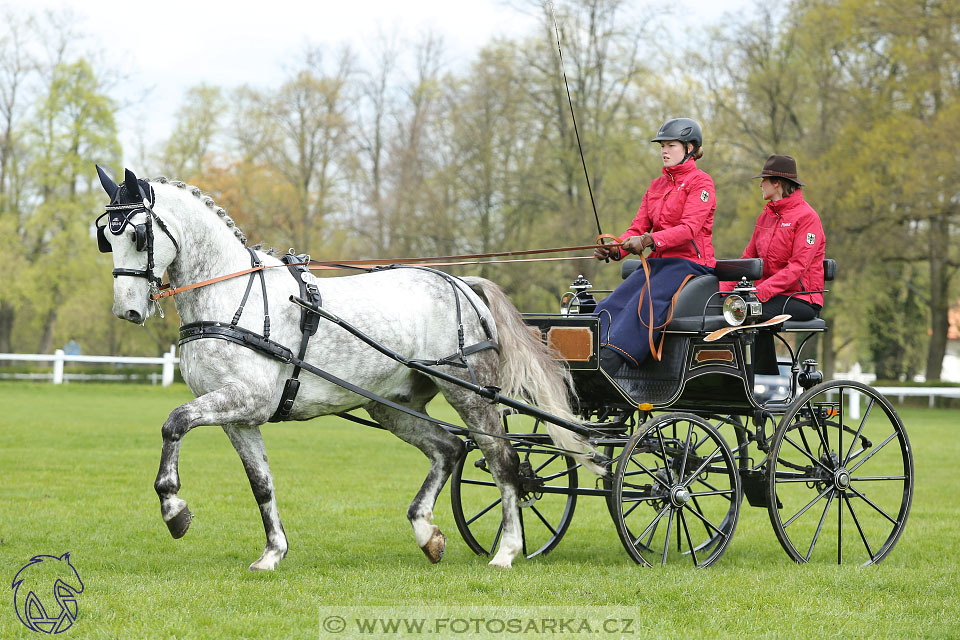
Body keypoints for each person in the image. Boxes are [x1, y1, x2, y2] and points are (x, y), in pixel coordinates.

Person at [593, 117, 717, 373]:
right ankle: (591, 351)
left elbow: (689, 229)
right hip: (659, 262)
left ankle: (612, 360)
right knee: (614, 302)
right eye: (662, 146)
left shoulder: (701, 183)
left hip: (690, 264)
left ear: (689, 148)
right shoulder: (656, 186)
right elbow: (637, 228)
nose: (664, 151)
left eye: (671, 145)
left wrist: (649, 240)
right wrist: (616, 247)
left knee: (646, 302)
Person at [721, 154, 826, 373]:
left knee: (746, 309)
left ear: (777, 183)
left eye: (764, 180)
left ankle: (758, 380)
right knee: (725, 307)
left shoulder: (807, 217)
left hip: (801, 298)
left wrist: (759, 292)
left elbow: (797, 267)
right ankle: (739, 380)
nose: (760, 184)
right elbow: (747, 261)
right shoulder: (765, 218)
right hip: (769, 295)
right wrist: (721, 290)